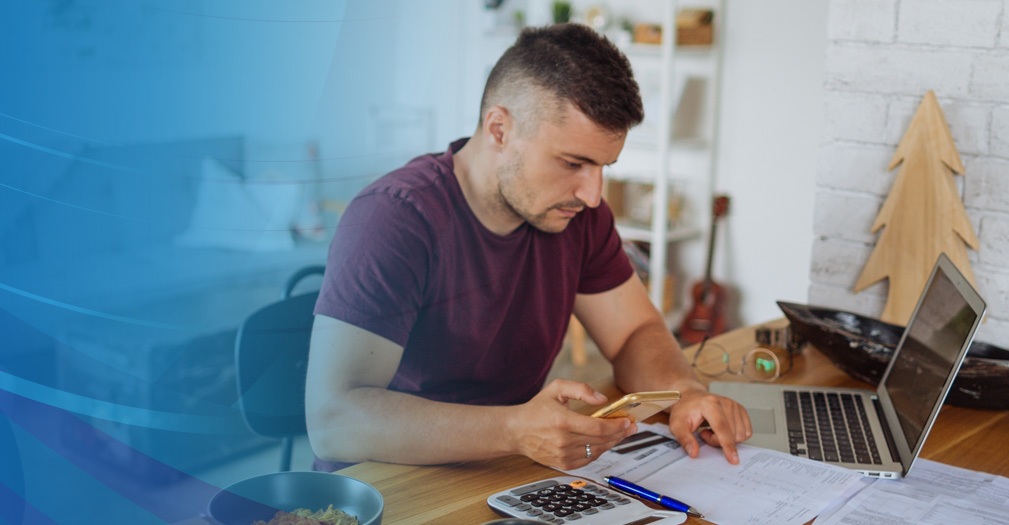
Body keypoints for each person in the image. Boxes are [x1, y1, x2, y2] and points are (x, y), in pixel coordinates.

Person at [305, 24, 751, 472]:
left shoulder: (579, 215)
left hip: (511, 469)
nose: (593, 195)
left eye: (603, 167)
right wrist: (515, 430)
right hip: (393, 485)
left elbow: (635, 332)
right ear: (499, 129)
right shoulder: (394, 220)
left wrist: (684, 391)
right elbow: (333, 420)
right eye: (573, 163)